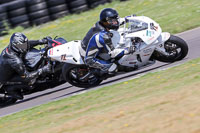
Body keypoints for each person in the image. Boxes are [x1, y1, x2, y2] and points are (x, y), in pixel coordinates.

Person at [80, 8, 134, 74]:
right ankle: (100, 71)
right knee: (113, 68)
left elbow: (118, 21)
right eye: (112, 20)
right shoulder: (103, 35)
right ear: (105, 22)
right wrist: (127, 50)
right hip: (89, 58)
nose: (115, 22)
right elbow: (113, 53)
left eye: (115, 19)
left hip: (94, 46)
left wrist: (130, 18)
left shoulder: (103, 24)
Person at [0, 32, 52, 100]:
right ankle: (10, 89)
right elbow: (27, 76)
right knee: (30, 82)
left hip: (9, 69)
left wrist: (41, 41)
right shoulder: (15, 60)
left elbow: (27, 44)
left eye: (24, 44)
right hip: (6, 79)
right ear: (15, 45)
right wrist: (42, 70)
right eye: (22, 45)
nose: (25, 46)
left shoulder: (14, 47)